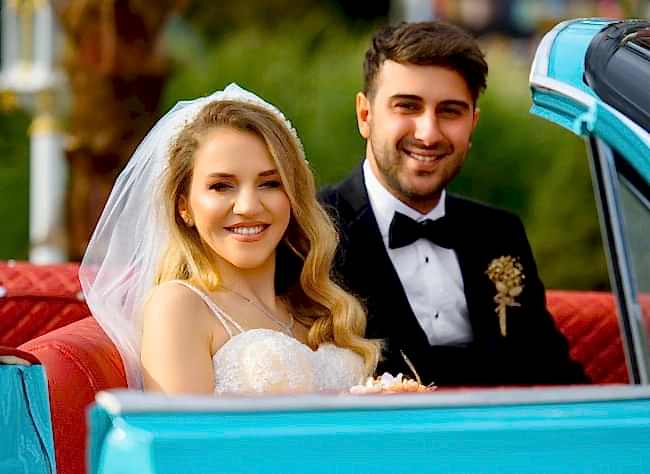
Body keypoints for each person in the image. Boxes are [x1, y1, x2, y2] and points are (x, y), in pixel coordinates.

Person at [319, 21, 588, 386]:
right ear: (365, 115)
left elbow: (555, 374)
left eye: (450, 111)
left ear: (472, 124)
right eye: (407, 106)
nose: (428, 133)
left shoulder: (501, 233)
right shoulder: (311, 231)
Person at [80, 84, 380, 395]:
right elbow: (183, 428)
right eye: (221, 186)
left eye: (270, 183)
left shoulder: (314, 309)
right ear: (184, 207)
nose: (248, 206)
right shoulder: (179, 306)